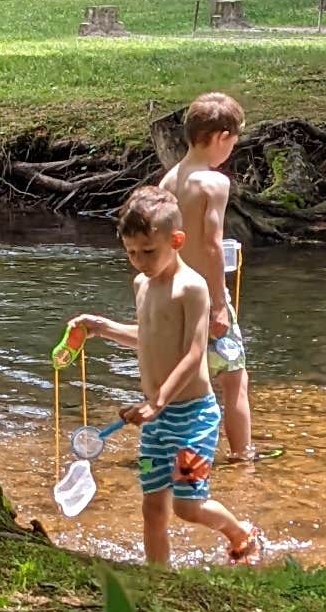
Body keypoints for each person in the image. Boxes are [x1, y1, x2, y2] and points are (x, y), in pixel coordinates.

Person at [63, 183, 264, 567]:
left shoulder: (192, 288)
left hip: (193, 419)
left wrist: (157, 401)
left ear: (176, 239)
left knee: (189, 504)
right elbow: (149, 337)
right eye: (131, 253)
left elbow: (193, 353)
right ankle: (158, 578)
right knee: (152, 507)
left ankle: (242, 534)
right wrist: (100, 326)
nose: (139, 260)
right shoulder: (142, 284)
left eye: (148, 251)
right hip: (156, 421)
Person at [168, 88, 252, 460]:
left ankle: (181, 454)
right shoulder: (214, 183)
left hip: (174, 294)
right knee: (234, 381)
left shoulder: (168, 180)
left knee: (188, 383)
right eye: (233, 140)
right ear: (221, 137)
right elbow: (214, 244)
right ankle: (241, 455)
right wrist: (219, 304)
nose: (231, 149)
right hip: (205, 294)